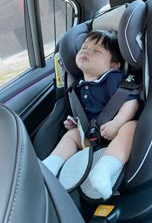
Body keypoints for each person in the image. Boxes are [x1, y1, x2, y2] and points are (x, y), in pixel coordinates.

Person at [43, 30, 139, 200]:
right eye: (84, 47)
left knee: (131, 127)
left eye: (97, 51)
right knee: (72, 135)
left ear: (114, 64)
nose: (86, 51)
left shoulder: (113, 78)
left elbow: (131, 102)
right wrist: (76, 124)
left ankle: (104, 170)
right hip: (91, 138)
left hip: (116, 134)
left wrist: (117, 123)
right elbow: (86, 115)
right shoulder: (77, 87)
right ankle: (49, 167)